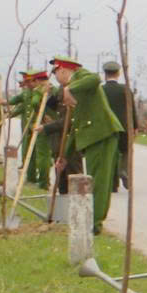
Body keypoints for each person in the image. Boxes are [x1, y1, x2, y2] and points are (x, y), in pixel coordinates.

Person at [50, 55, 121, 233]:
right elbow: (75, 125)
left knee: (99, 181)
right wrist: (64, 156)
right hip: (94, 137)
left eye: (56, 73)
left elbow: (95, 78)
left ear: (63, 70)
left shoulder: (80, 76)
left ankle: (94, 224)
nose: (56, 79)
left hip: (102, 134)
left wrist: (69, 89)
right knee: (95, 180)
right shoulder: (73, 87)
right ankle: (93, 221)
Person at [99, 63, 132, 191]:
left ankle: (113, 185)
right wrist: (134, 126)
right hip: (124, 126)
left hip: (107, 127)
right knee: (125, 151)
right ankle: (123, 170)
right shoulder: (125, 89)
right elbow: (131, 109)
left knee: (110, 154)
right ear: (118, 74)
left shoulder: (100, 90)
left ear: (105, 74)